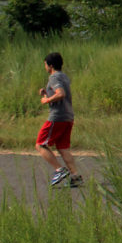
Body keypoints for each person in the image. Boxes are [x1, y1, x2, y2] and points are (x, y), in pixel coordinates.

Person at [36, 52, 83, 188]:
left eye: (45, 64)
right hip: (68, 116)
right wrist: (46, 93)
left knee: (40, 144)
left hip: (58, 117)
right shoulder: (64, 77)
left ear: (50, 65)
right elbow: (59, 92)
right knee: (63, 148)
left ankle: (59, 170)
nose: (44, 67)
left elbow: (60, 94)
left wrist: (46, 100)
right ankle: (75, 176)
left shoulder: (54, 77)